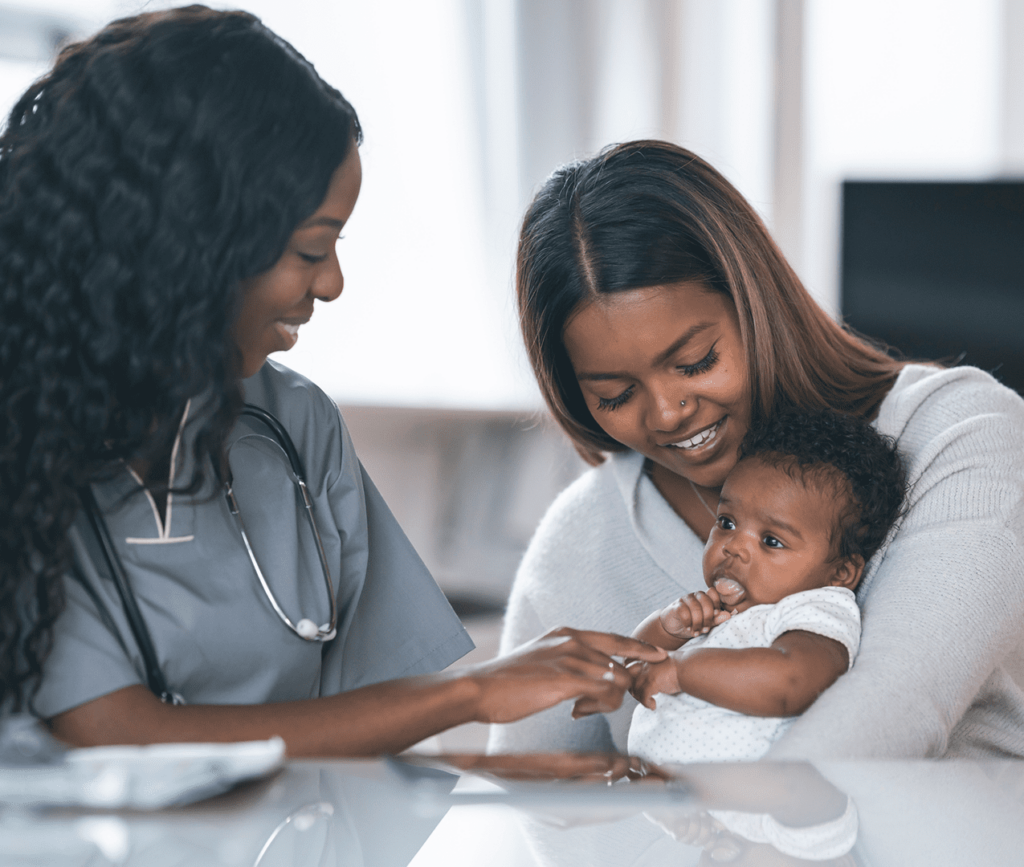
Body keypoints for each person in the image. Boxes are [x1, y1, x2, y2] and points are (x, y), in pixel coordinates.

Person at [0, 6, 666, 755]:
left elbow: (380, 723)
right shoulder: (26, 435)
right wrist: (476, 691)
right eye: (311, 248)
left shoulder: (296, 425)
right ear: (192, 240)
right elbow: (118, 733)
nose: (335, 283)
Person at [488, 140, 1024, 759]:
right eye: (615, 394)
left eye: (695, 362)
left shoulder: (959, 434)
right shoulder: (580, 538)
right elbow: (534, 798)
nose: (667, 414)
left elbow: (894, 712)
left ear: (755, 303)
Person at [626, 409, 905, 764]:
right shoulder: (721, 613)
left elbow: (791, 683)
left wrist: (683, 670)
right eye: (726, 522)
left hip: (752, 799)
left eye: (771, 541)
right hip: (667, 795)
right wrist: (667, 627)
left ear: (840, 573)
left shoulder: (814, 611)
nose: (733, 546)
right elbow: (634, 665)